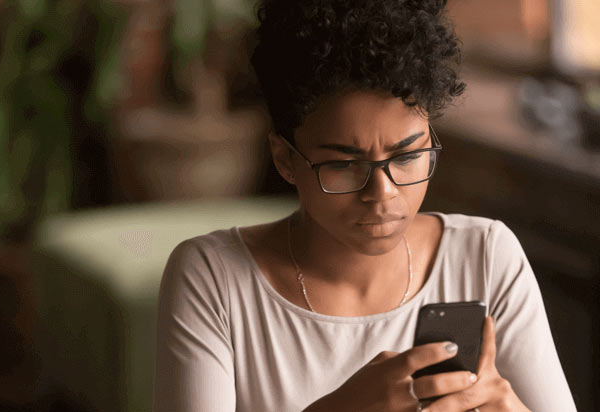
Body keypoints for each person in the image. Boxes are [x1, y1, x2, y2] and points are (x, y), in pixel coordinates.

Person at [152, 0, 577, 411]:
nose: (383, 193)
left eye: (408, 157)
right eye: (344, 165)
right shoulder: (214, 281)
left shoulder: (485, 258)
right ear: (285, 160)